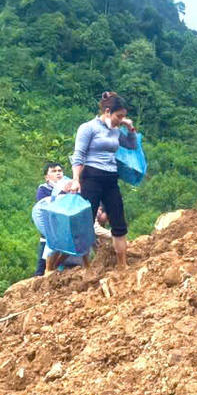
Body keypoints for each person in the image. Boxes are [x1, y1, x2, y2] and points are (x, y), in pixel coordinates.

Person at [65, 92, 138, 269]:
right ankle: (85, 266)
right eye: (118, 116)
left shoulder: (116, 131)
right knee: (85, 223)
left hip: (111, 179)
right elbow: (79, 156)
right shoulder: (88, 128)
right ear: (107, 111)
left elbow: (131, 145)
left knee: (118, 222)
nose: (120, 120)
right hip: (91, 178)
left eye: (123, 117)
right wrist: (76, 180)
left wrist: (130, 129)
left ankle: (122, 264)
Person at [34, 162, 66, 276]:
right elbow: (45, 207)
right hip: (48, 234)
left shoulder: (69, 188)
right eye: (53, 171)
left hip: (66, 234)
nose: (58, 173)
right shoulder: (43, 189)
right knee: (42, 268)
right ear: (47, 177)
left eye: (59, 171)